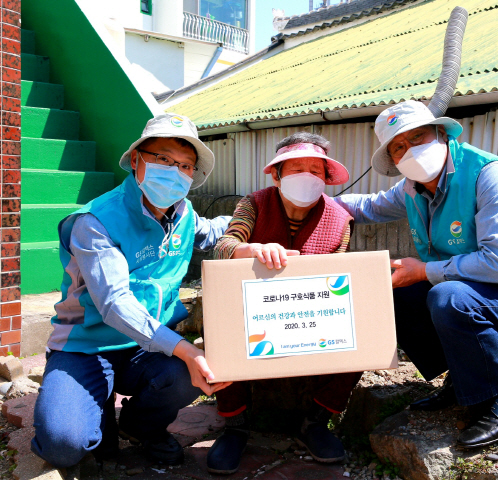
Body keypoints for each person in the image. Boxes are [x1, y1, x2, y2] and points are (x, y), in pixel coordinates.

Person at [334, 100, 498, 449]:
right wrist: (314, 203)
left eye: (418, 137)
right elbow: (368, 206)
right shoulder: (412, 189)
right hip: (479, 296)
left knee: (446, 296)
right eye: (399, 147)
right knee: (394, 289)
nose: (410, 150)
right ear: (394, 160)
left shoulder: (490, 175)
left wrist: (424, 271)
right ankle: (463, 378)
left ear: (441, 134)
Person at [31, 113, 233, 468]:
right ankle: (89, 403)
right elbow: (114, 304)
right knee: (65, 445)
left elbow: (215, 231)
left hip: (145, 348)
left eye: (186, 165)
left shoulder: (183, 215)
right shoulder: (95, 222)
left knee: (188, 375)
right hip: (87, 346)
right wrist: (185, 349)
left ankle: (141, 428)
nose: (175, 171)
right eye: (163, 159)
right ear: (136, 160)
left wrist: (253, 226)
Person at [207, 132, 362, 474]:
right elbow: (223, 246)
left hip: (308, 314)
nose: (307, 176)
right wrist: (248, 250)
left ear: (326, 178)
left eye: (315, 170)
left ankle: (316, 421)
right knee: (220, 321)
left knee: (361, 331)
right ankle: (235, 424)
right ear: (276, 175)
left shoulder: (340, 220)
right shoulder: (254, 203)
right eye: (296, 168)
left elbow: (337, 277)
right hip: (253, 312)